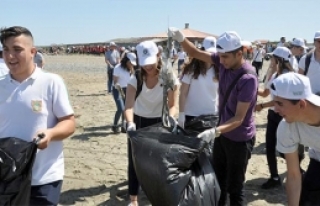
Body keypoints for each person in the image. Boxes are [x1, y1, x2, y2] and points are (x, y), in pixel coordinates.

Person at [169, 28, 258, 205]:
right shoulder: (223, 60)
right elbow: (194, 52)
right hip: (222, 136)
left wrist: (213, 131)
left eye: (225, 57)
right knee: (218, 183)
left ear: (239, 53)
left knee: (235, 189)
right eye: (220, 56)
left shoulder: (248, 78)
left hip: (240, 140)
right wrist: (180, 37)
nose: (220, 61)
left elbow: (239, 118)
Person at [0, 26, 75, 205]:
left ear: (33, 51)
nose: (10, 56)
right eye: (6, 50)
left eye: (17, 50)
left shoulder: (50, 82)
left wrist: (50, 134)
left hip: (44, 178)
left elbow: (69, 122)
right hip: (7, 178)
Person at [124, 40, 179, 206]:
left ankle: (158, 195)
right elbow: (128, 106)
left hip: (159, 122)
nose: (148, 67)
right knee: (135, 161)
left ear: (158, 55)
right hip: (139, 122)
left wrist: (171, 117)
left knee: (159, 161)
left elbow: (173, 105)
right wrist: (130, 123)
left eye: (151, 63)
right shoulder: (136, 77)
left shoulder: (168, 76)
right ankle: (133, 199)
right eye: (144, 64)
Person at [271, 72, 320, 205]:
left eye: (280, 104)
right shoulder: (287, 127)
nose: (275, 109)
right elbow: (293, 174)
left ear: (302, 104)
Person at [255, 47, 297, 189]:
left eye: (273, 58)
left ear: (279, 59)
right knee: (271, 147)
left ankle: (296, 170)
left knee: (285, 148)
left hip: (284, 116)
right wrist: (250, 85)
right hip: (273, 115)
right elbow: (265, 93)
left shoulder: (287, 78)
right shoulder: (274, 75)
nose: (271, 60)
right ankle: (274, 176)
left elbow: (281, 101)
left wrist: (262, 106)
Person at [178, 47, 219, 129]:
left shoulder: (219, 70)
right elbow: (183, 93)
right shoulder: (191, 69)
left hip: (212, 115)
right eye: (208, 53)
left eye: (213, 53)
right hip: (191, 115)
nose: (210, 56)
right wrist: (181, 114)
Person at [111, 52, 137, 133]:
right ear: (126, 60)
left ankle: (123, 126)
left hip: (127, 89)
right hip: (117, 89)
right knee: (121, 108)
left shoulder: (131, 68)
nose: (131, 65)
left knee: (126, 109)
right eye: (130, 63)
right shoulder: (117, 68)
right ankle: (115, 126)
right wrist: (117, 86)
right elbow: (115, 81)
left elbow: (132, 78)